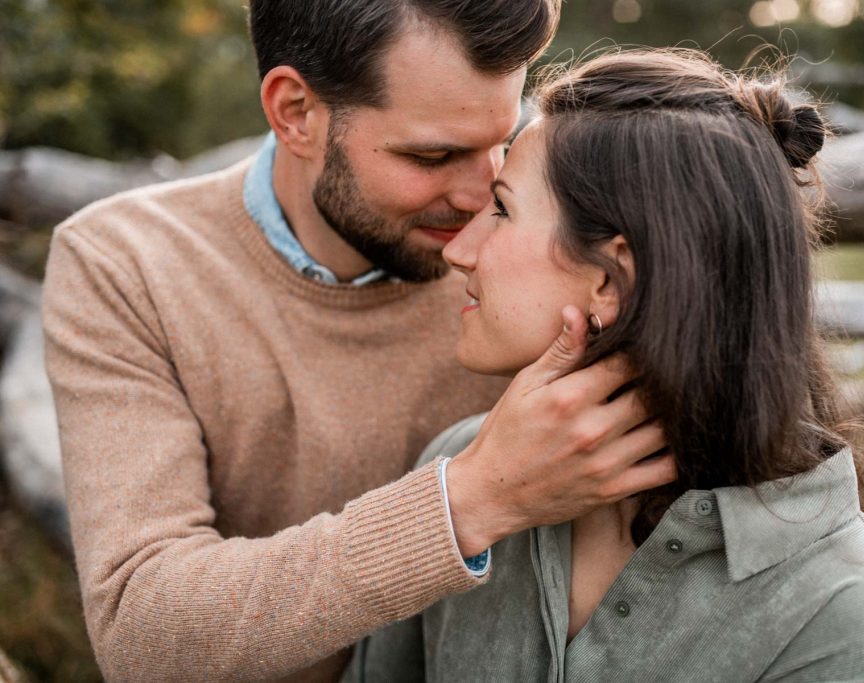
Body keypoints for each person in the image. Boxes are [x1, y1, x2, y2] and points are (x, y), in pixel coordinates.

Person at [39, 3, 677, 682]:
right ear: (295, 112)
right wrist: (470, 499)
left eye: (503, 139)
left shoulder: (541, 258)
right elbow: (141, 633)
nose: (478, 196)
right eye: (434, 154)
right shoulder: (124, 264)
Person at [343, 49, 864, 682]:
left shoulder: (839, 604)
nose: (458, 248)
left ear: (611, 279)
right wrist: (470, 505)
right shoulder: (461, 476)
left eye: (503, 209)